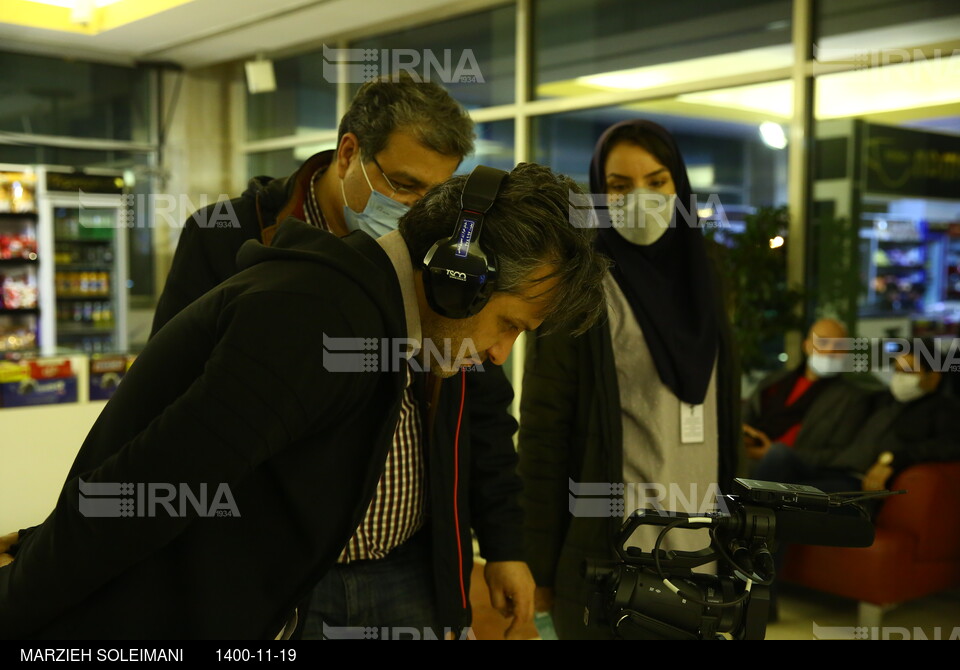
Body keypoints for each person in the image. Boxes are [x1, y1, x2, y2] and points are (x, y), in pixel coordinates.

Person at [0, 163, 609, 639]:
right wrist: (17, 602)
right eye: (510, 325)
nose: (501, 352)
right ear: (457, 277)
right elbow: (147, 486)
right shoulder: (323, 320)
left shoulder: (358, 310)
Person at [151, 73, 530, 639]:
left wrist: (505, 544)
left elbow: (482, 407)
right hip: (282, 572)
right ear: (349, 151)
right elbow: (175, 402)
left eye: (437, 194)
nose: (415, 210)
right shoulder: (225, 237)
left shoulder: (442, 252)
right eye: (403, 185)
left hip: (408, 565)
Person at [517, 119, 740, 640]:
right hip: (616, 555)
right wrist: (539, 566)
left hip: (705, 551)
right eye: (619, 186)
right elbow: (544, 436)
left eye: (657, 181)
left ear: (679, 186)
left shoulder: (705, 277)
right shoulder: (582, 286)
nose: (641, 198)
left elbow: (723, 409)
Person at [753, 348, 960, 495]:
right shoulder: (880, 400)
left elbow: (950, 445)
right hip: (832, 468)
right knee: (778, 454)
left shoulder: (943, 409)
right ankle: (737, 524)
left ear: (933, 377)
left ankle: (742, 543)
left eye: (908, 371)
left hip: (856, 484)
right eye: (896, 370)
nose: (899, 377)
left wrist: (894, 459)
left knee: (782, 498)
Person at [742, 318, 873, 461]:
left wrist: (774, 455)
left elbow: (838, 453)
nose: (830, 350)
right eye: (822, 342)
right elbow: (745, 417)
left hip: (793, 468)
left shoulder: (852, 398)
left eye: (838, 345)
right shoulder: (774, 382)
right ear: (806, 345)